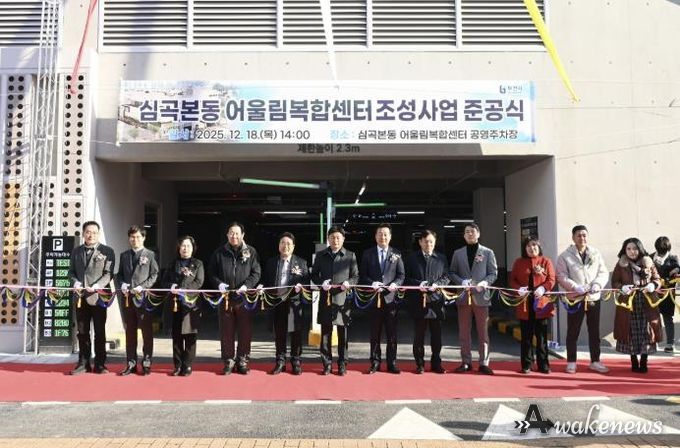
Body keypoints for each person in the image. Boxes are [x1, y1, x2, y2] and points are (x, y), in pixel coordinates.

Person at [556, 225, 610, 374]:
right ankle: (571, 362)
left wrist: (597, 284)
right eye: (579, 235)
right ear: (573, 238)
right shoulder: (565, 256)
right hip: (575, 298)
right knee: (573, 330)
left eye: (584, 235)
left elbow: (603, 272)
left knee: (594, 330)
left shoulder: (595, 253)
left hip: (593, 297)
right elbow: (561, 275)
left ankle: (595, 361)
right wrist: (575, 287)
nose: (582, 238)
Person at [208, 222, 261, 375]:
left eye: (237, 233)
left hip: (244, 299)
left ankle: (242, 360)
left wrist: (247, 286)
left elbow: (256, 272)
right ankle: (228, 361)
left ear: (243, 235)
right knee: (226, 332)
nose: (234, 236)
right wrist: (219, 284)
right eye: (231, 233)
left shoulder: (251, 252)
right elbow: (211, 272)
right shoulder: (219, 253)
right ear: (227, 235)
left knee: (245, 331)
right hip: (225, 299)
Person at [449, 223, 498, 375]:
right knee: (464, 331)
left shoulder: (487, 252)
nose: (470, 234)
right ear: (464, 235)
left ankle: (484, 362)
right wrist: (461, 281)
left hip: (481, 296)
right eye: (467, 232)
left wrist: (485, 283)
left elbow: (493, 273)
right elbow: (452, 272)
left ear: (478, 234)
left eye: (472, 231)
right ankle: (466, 362)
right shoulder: (458, 253)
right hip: (464, 296)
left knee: (483, 332)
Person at [68, 221, 116, 375]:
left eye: (94, 232)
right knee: (82, 332)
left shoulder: (107, 251)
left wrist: (97, 285)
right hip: (81, 296)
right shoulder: (76, 251)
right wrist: (75, 282)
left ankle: (100, 364)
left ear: (98, 234)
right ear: (83, 233)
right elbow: (71, 272)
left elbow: (108, 274)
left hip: (99, 296)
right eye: (88, 232)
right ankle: (83, 363)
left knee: (100, 331)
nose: (91, 235)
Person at [311, 226, 359, 376]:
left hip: (342, 300)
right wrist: (321, 283)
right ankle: (327, 364)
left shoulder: (350, 255)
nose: (335, 240)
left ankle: (342, 364)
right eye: (332, 237)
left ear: (343, 239)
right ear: (328, 239)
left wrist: (349, 283)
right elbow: (314, 275)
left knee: (343, 334)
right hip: (326, 298)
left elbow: (356, 276)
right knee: (326, 333)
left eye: (338, 237)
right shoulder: (321, 255)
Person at [612, 238, 663, 373]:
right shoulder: (621, 264)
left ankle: (644, 361)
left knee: (646, 331)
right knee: (631, 331)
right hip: (628, 303)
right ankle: (633, 360)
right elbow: (615, 282)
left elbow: (658, 279)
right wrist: (622, 288)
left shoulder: (648, 262)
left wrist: (653, 285)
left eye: (634, 248)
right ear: (625, 250)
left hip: (646, 302)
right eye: (628, 249)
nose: (632, 251)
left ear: (640, 249)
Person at [360, 223, 405, 374]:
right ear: (375, 236)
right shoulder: (368, 254)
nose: (382, 237)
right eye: (380, 234)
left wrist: (395, 284)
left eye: (385, 234)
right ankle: (375, 362)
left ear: (390, 237)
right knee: (375, 333)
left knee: (392, 334)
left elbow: (401, 275)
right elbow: (362, 275)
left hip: (391, 300)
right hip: (374, 300)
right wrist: (371, 283)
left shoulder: (396, 253)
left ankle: (392, 363)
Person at [404, 229, 450, 374]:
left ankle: (436, 363)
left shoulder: (441, 258)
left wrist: (438, 284)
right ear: (420, 242)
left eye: (431, 242)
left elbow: (447, 276)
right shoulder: (412, 258)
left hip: (436, 302)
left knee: (437, 337)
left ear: (435, 243)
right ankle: (420, 364)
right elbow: (405, 278)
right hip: (419, 302)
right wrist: (419, 284)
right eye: (425, 241)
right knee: (419, 336)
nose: (428, 244)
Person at [116, 225, 159, 376]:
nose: (135, 240)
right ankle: (131, 363)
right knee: (130, 332)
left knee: (146, 332)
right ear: (129, 238)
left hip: (143, 298)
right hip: (128, 299)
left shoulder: (150, 254)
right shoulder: (124, 255)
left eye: (138, 237)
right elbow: (120, 274)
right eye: (132, 237)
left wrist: (143, 287)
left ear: (144, 238)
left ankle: (146, 361)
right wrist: (122, 284)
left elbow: (154, 274)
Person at [263, 232, 309, 375]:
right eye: (283, 243)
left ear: (293, 246)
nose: (285, 246)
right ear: (279, 246)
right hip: (277, 302)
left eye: (288, 244)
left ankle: (296, 361)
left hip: (294, 303)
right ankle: (280, 362)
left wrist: (301, 286)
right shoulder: (271, 262)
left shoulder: (301, 262)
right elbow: (266, 281)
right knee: (279, 334)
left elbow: (307, 281)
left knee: (296, 333)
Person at [509, 238, 556, 374]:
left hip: (541, 303)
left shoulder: (546, 261)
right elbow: (512, 279)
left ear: (539, 247)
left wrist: (543, 288)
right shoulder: (519, 262)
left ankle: (543, 364)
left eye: (534, 245)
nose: (531, 248)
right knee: (526, 336)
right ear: (524, 249)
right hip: (524, 303)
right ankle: (526, 364)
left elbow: (551, 279)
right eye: (528, 246)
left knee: (541, 336)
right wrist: (518, 289)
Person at [163, 235, 204, 376]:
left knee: (190, 335)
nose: (185, 248)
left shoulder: (198, 264)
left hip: (191, 304)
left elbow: (199, 282)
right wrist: (172, 286)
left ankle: (187, 365)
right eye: (183, 246)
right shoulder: (172, 263)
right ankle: (178, 365)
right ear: (178, 248)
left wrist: (183, 289)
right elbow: (165, 281)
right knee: (177, 336)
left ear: (193, 248)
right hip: (175, 303)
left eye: (188, 246)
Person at [650, 236, 679, 353]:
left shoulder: (673, 258)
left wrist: (675, 272)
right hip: (653, 292)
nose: (662, 253)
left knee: (667, 318)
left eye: (664, 250)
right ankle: (653, 342)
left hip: (668, 293)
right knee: (653, 318)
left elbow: (677, 275)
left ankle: (670, 344)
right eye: (660, 250)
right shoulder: (650, 257)